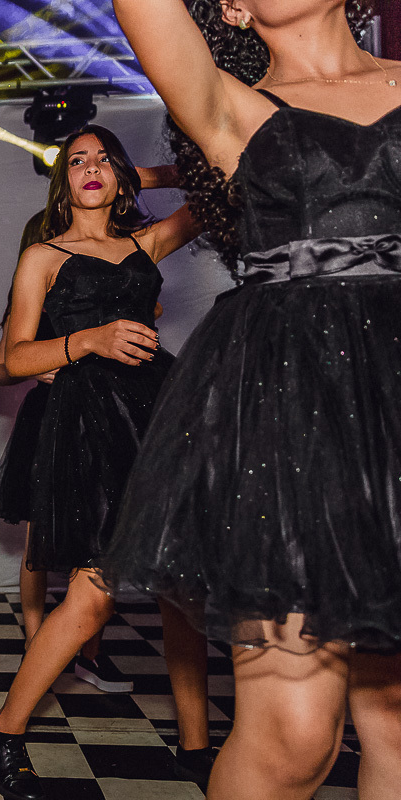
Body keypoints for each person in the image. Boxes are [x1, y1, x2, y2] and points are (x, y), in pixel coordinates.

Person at [103, 2, 401, 798]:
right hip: (295, 422)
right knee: (295, 738)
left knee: (400, 724)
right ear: (233, 6)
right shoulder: (229, 105)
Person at [0, 125, 214, 800]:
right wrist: (90, 340)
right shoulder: (42, 256)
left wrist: (150, 172)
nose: (90, 168)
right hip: (88, 422)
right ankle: (6, 730)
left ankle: (196, 746)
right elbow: (12, 361)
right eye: (76, 160)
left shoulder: (148, 242)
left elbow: (223, 189)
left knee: (183, 583)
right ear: (62, 181)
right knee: (97, 585)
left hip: (159, 413)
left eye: (102, 160)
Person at [0, 209, 135, 693]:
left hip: (106, 411)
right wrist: (35, 367)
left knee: (102, 533)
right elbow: (1, 369)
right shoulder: (36, 277)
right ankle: (36, 641)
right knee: (38, 540)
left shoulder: (106, 275)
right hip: (51, 417)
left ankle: (89, 652)